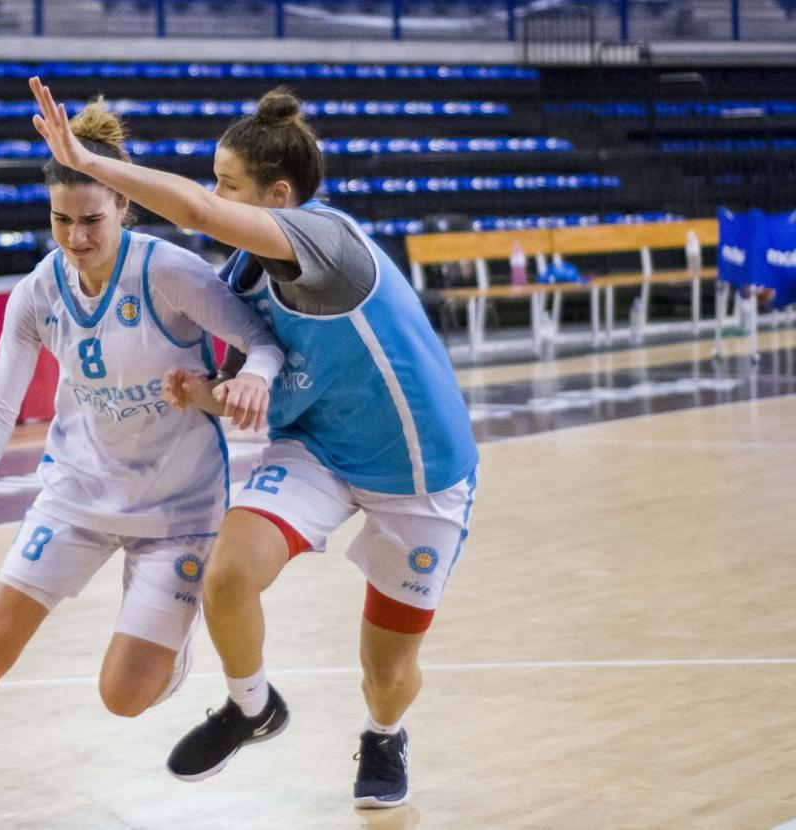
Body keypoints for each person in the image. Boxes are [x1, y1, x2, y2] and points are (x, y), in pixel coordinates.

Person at [30, 78, 479, 808]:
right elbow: (252, 377)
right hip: (320, 451)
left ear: (277, 198)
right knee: (228, 574)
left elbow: (195, 211)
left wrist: (89, 162)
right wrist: (209, 392)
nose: (213, 196)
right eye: (213, 179)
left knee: (386, 671)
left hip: (418, 470)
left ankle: (382, 733)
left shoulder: (328, 243)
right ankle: (251, 706)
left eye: (227, 185)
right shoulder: (243, 272)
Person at [0, 99, 283, 829]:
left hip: (179, 510)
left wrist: (253, 379)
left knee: (123, 696)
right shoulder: (39, 291)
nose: (77, 236)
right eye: (61, 221)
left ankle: (167, 646)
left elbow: (264, 341)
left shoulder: (170, 273)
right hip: (77, 493)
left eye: (92, 219)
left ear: (124, 205)